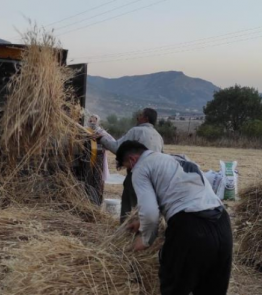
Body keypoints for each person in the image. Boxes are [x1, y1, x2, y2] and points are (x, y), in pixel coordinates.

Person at [116, 140, 233, 295]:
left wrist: (145, 239)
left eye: (127, 168)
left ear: (132, 160)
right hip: (222, 224)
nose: (130, 172)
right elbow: (184, 193)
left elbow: (150, 213)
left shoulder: (140, 168)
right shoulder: (177, 158)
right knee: (212, 290)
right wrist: (140, 222)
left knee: (175, 288)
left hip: (191, 228)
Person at [96, 108, 164, 223]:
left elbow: (117, 148)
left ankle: (126, 230)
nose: (138, 117)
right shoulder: (158, 136)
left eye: (140, 115)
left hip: (137, 173)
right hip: (154, 176)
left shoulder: (136, 131)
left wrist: (101, 138)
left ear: (146, 118)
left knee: (129, 204)